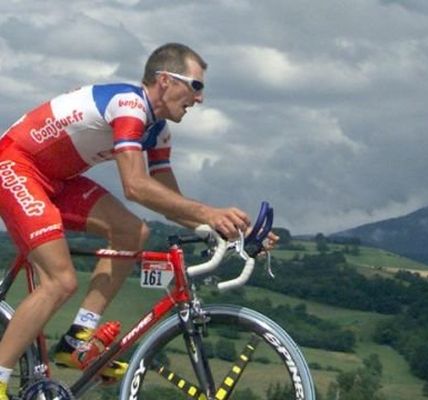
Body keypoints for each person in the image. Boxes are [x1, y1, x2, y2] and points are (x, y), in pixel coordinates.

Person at [0, 43, 275, 399]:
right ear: (164, 81)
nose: (200, 98)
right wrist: (210, 213)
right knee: (60, 279)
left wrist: (233, 230)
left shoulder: (158, 131)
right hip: (16, 166)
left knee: (133, 232)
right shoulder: (130, 105)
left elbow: (170, 203)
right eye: (196, 86)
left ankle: (76, 340)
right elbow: (135, 186)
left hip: (58, 179)